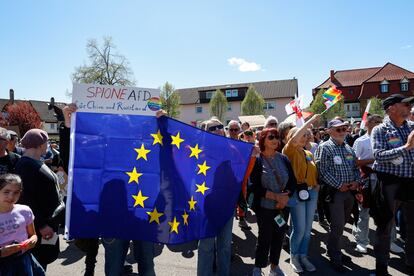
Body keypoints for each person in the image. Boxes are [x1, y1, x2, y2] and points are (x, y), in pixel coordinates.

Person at [371, 94, 414, 275]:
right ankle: (381, 267)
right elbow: (378, 155)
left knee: (413, 227)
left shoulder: (412, 127)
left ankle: (411, 263)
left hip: (411, 183)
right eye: (405, 104)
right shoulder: (380, 130)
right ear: (392, 108)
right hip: (389, 185)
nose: (409, 107)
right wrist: (406, 147)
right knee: (385, 228)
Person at [314, 119, 361, 273]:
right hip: (335, 193)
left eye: (344, 129)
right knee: (337, 225)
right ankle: (335, 255)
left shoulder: (348, 147)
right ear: (329, 131)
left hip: (349, 192)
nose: (342, 132)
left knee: (342, 224)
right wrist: (339, 185)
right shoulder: (325, 147)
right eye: (338, 129)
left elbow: (355, 167)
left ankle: (334, 250)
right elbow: (322, 171)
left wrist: (356, 181)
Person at [15, 129, 64, 271]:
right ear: (40, 144)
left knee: (43, 262)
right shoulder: (25, 165)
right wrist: (41, 225)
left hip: (48, 223)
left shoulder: (35, 161)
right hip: (39, 227)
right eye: (46, 142)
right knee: (37, 265)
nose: (48, 145)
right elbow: (26, 199)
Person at [250, 127, 296, 276]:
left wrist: (285, 197)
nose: (275, 140)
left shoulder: (284, 158)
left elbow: (293, 182)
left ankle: (274, 267)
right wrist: (276, 197)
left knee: (279, 237)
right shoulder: (257, 161)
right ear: (263, 139)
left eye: (277, 137)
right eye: (271, 137)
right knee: (265, 238)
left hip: (282, 208)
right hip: (265, 208)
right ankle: (258, 266)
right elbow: (254, 187)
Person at [283, 114, 320, 273]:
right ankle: (294, 256)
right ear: (292, 138)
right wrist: (310, 122)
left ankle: (303, 255)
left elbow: (313, 173)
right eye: (302, 135)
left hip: (311, 193)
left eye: (307, 135)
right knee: (299, 229)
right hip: (297, 193)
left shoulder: (309, 153)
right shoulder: (289, 150)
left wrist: (316, 185)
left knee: (307, 229)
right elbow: (295, 140)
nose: (305, 137)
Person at [198, 118, 235, 276]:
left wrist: (252, 156)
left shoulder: (233, 148)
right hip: (207, 205)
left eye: (221, 126)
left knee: (225, 246)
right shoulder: (198, 151)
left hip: (227, 204)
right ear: (206, 133)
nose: (219, 129)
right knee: (206, 246)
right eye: (214, 128)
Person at [0, 173, 45, 275]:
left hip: (24, 259)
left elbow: (33, 235)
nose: (11, 196)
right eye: (6, 192)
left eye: (16, 192)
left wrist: (32, 241)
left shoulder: (24, 210)